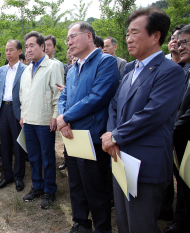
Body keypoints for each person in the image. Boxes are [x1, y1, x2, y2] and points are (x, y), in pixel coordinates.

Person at [101, 8, 185, 233]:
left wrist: (116, 135)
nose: (128, 39)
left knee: (141, 225)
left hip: (146, 163)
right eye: (127, 34)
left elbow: (153, 113)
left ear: (156, 36)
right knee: (124, 222)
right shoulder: (130, 72)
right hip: (120, 157)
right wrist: (112, 136)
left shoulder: (170, 71)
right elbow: (114, 106)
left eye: (134, 33)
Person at [58, 22, 119, 233]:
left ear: (89, 36)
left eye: (73, 36)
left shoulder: (105, 62)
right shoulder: (74, 66)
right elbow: (64, 95)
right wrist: (63, 119)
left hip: (91, 136)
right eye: (68, 39)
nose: (69, 42)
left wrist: (65, 117)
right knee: (75, 184)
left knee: (96, 188)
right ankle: (80, 223)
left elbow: (97, 98)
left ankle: (102, 228)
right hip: (71, 135)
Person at [20, 31, 64, 209]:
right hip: (29, 120)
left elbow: (58, 95)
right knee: (33, 157)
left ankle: (50, 190)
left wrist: (55, 116)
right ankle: (37, 186)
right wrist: (23, 115)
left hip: (45, 120)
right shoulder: (27, 69)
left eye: (32, 45)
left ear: (42, 47)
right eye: (26, 46)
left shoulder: (53, 66)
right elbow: (23, 95)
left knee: (47, 157)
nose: (28, 49)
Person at [167, 23, 190, 233]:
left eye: (184, 41)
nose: (178, 45)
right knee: (184, 185)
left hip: (184, 137)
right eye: (177, 41)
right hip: (181, 140)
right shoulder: (188, 71)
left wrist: (169, 134)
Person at [0, 39, 27, 191]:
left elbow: (27, 94)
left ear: (19, 51)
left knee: (18, 144)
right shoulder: (1, 70)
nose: (7, 52)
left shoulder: (26, 69)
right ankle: (7, 175)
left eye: (11, 49)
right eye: (6, 50)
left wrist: (24, 114)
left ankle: (19, 177)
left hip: (17, 110)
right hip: (3, 110)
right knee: (4, 144)